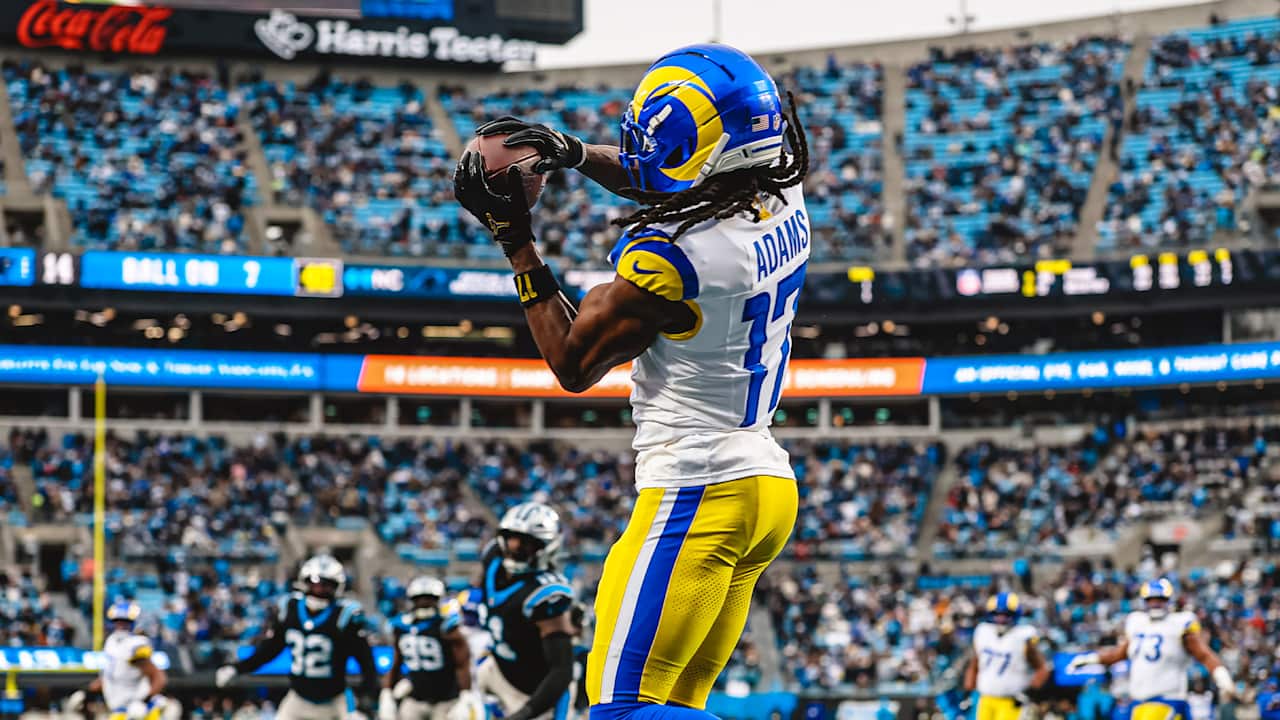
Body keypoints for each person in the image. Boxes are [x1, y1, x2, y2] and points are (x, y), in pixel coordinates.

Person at [453, 42, 808, 720]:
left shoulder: (673, 258)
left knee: (617, 710)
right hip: (763, 484)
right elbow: (676, 179)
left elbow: (573, 363)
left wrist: (515, 240)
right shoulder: (780, 189)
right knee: (669, 703)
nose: (645, 151)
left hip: (698, 487)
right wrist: (572, 152)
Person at [215, 555, 381, 720]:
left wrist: (365, 700)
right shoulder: (290, 609)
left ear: (337, 587)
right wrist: (237, 668)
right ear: (304, 582)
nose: (319, 590)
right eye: (314, 584)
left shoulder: (344, 616)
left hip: (335, 700)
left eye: (325, 585)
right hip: (298, 699)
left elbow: (366, 661)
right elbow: (269, 650)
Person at [1068, 579, 1235, 720]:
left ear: (1169, 600)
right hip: (1139, 703)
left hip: (1168, 700)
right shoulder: (1137, 623)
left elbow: (1204, 655)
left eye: (1160, 599)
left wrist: (1221, 674)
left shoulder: (1179, 624)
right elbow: (1118, 654)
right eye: (1151, 599)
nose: (1155, 603)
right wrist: (1090, 658)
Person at [472, 502, 577, 720]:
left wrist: (525, 713)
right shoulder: (493, 558)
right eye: (512, 538)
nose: (516, 547)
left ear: (546, 547)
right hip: (498, 669)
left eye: (527, 543)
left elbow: (562, 671)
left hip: (534, 693)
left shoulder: (545, 593)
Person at [381, 576, 483, 720]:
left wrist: (465, 694)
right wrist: (386, 691)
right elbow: (396, 662)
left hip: (445, 699)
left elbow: (462, 664)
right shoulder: (402, 628)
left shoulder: (446, 627)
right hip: (416, 697)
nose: (424, 602)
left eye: (429, 598)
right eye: (419, 598)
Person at [66, 601, 179, 720]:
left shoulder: (136, 644)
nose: (121, 625)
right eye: (117, 621)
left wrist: (145, 700)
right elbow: (111, 676)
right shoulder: (111, 642)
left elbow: (159, 678)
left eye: (126, 622)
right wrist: (86, 692)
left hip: (138, 710)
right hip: (121, 709)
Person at [963, 593, 1050, 720]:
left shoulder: (1023, 637)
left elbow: (1042, 668)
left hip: (1010, 700)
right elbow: (975, 663)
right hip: (985, 698)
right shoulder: (983, 632)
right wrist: (968, 690)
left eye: (1006, 615)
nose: (1001, 619)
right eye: (997, 614)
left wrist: (1029, 693)